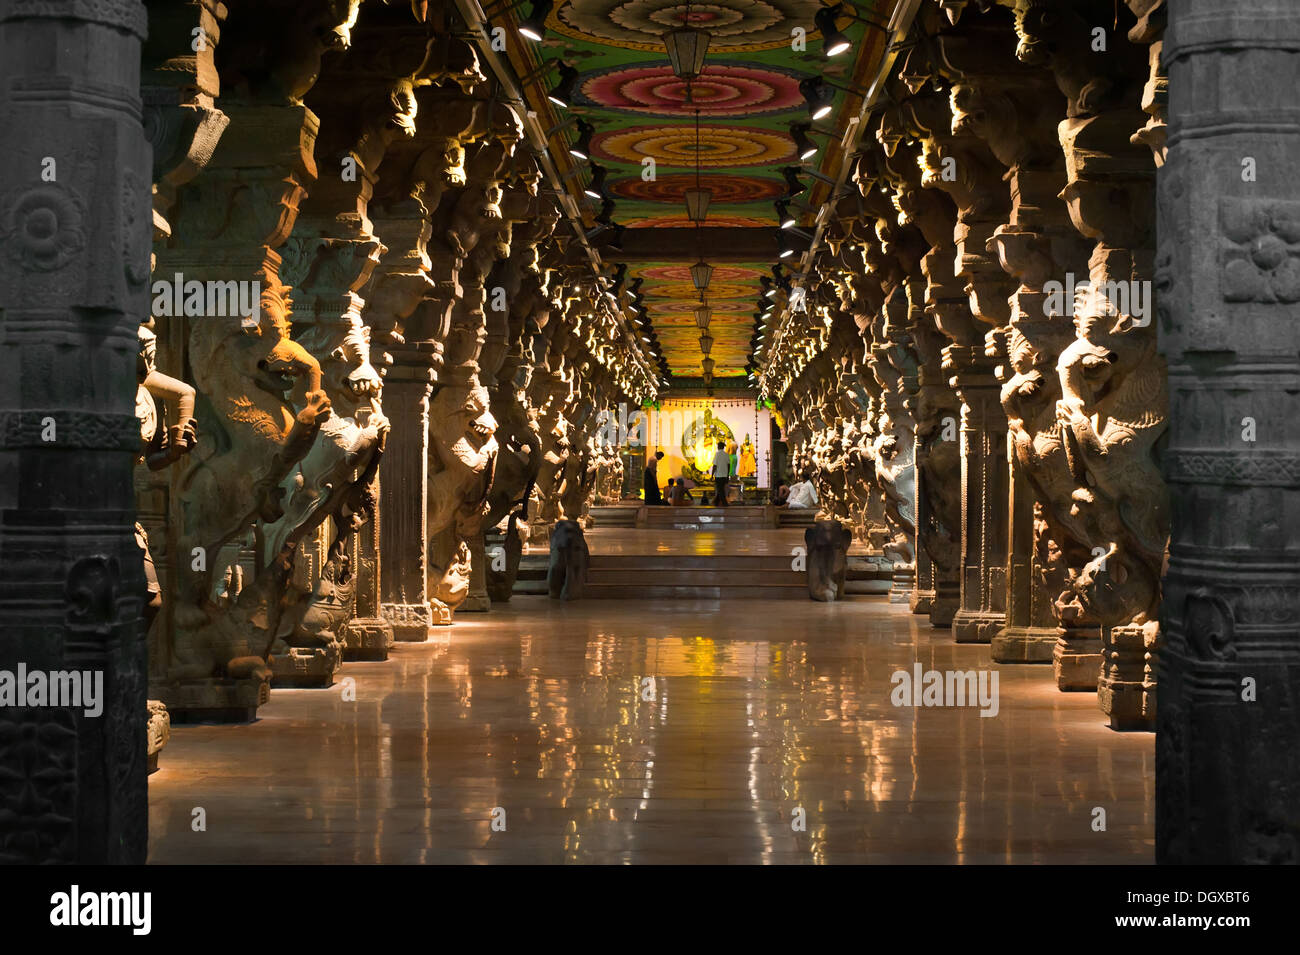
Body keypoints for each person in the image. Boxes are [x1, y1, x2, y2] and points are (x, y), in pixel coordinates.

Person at [710, 440, 730, 507]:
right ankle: (716, 502)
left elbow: (715, 466)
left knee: (720, 489)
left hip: (718, 475)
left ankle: (725, 503)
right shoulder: (726, 454)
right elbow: (728, 465)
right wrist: (727, 475)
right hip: (724, 475)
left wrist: (712, 475)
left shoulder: (717, 454)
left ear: (718, 447)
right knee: (720, 489)